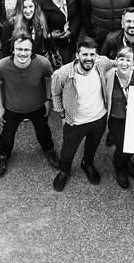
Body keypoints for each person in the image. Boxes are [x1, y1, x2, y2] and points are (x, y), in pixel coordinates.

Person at [50, 38, 116, 191]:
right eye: (85, 54)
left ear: (96, 55)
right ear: (77, 55)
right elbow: (56, 94)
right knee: (67, 153)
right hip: (75, 123)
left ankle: (87, 164)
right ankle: (65, 170)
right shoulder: (62, 74)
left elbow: (118, 62)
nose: (89, 58)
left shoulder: (101, 63)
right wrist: (62, 116)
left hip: (99, 119)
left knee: (92, 147)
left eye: (92, 54)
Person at [0, 34, 60, 177]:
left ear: (32, 50)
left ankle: (49, 151)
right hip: (12, 108)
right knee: (7, 136)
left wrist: (48, 100)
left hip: (37, 106)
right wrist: (0, 107)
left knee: (43, 131)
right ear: (13, 50)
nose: (23, 53)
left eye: (27, 50)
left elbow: (49, 79)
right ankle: (3, 157)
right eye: (19, 49)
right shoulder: (1, 66)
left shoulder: (43, 63)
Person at [101, 46, 134, 188]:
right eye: (121, 59)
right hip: (116, 118)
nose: (124, 63)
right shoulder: (108, 75)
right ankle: (119, 166)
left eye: (128, 60)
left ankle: (126, 160)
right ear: (116, 60)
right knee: (122, 146)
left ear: (133, 62)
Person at [38, 0, 84, 68]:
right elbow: (37, 26)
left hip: (74, 36)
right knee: (64, 67)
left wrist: (71, 30)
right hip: (56, 42)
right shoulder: (40, 1)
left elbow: (79, 13)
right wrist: (50, 35)